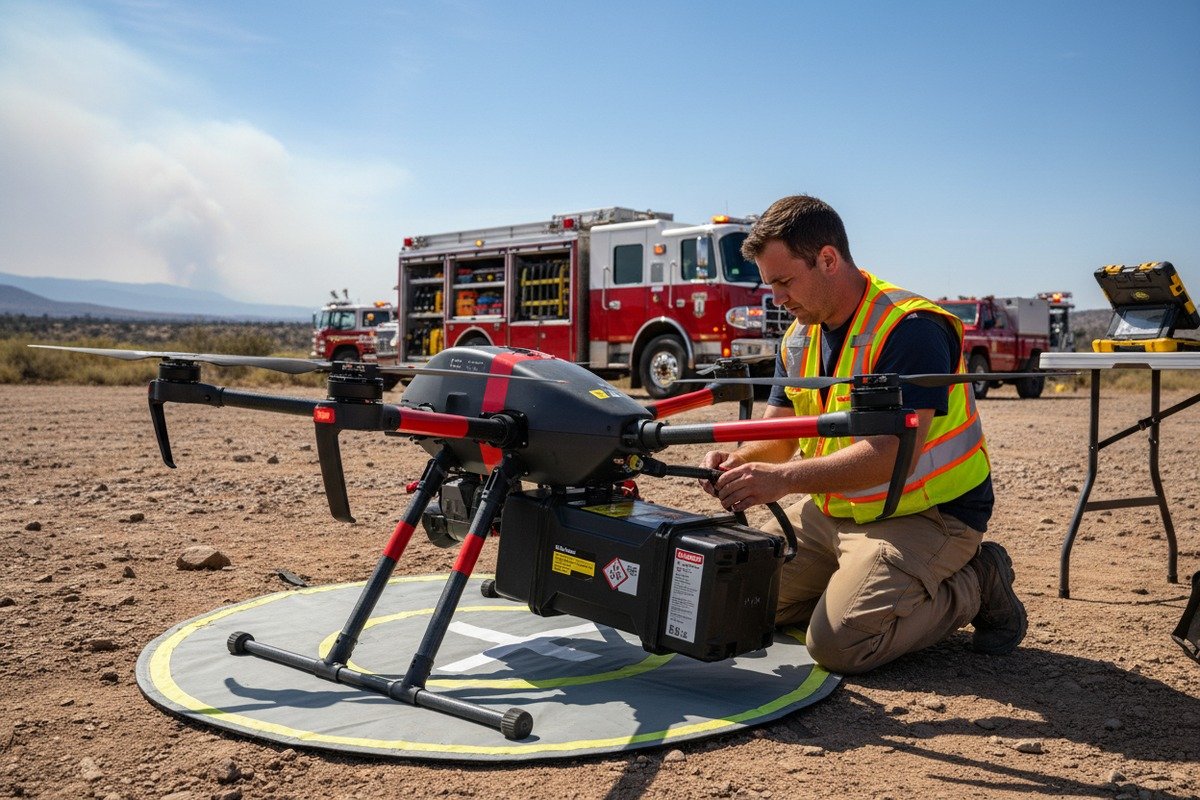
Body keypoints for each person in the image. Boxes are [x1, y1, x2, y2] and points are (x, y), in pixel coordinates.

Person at [701, 194, 1026, 675]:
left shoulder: (911, 328)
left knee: (839, 645)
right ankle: (855, 584)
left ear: (828, 259)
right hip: (836, 510)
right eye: (771, 285)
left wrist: (782, 480)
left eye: (785, 282)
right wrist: (742, 461)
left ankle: (978, 580)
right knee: (733, 600)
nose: (778, 298)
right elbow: (779, 434)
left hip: (927, 515)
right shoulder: (799, 337)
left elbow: (889, 456)